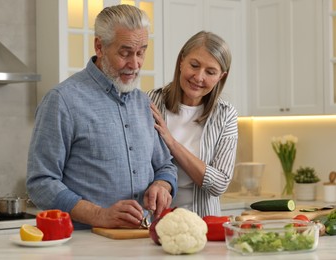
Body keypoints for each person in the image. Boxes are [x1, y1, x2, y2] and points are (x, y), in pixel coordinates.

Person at [26, 4, 177, 230]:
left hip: (143, 239)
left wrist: (162, 186)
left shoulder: (142, 102)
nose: (135, 64)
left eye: (141, 52)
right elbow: (41, 183)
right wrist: (99, 215)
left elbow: (165, 165)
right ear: (100, 46)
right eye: (125, 53)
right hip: (85, 244)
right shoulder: (62, 100)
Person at [147, 31, 237, 217]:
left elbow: (219, 184)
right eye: (194, 65)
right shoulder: (149, 102)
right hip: (152, 219)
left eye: (210, 72)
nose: (198, 77)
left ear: (221, 77)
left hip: (203, 223)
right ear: (181, 61)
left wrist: (171, 142)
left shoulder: (225, 115)